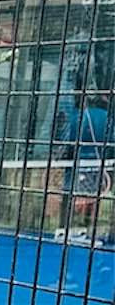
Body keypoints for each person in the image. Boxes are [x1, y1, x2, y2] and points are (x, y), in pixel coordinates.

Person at [49, 86, 111, 243]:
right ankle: (86, 229)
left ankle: (64, 229)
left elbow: (64, 140)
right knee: (93, 196)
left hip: (75, 163)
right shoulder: (106, 116)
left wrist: (59, 157)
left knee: (69, 193)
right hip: (96, 164)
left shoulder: (73, 116)